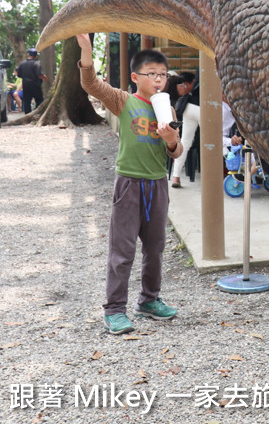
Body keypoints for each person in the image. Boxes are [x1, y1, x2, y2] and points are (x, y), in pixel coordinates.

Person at [75, 34, 183, 334]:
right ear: (136, 77)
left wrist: (172, 140)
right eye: (153, 74)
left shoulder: (168, 110)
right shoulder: (124, 101)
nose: (159, 80)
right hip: (129, 184)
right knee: (122, 250)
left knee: (156, 247)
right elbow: (92, 85)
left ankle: (149, 300)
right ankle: (114, 309)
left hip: (157, 184)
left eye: (163, 75)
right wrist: (86, 51)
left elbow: (176, 150)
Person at [170, 73, 199, 188]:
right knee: (215, 138)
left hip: (188, 108)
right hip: (201, 108)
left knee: (185, 142)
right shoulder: (204, 80)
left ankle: (176, 176)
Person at [15, 47, 47, 113]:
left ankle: (28, 115)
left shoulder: (22, 64)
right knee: (39, 100)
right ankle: (36, 113)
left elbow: (18, 74)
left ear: (28, 55)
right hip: (35, 85)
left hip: (26, 85)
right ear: (36, 56)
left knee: (27, 102)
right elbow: (40, 75)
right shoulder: (36, 63)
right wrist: (45, 77)